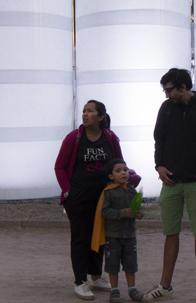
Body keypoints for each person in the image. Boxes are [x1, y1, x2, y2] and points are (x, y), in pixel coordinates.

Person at [142, 68, 196, 303]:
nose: (166, 95)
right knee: (171, 233)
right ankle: (165, 287)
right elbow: (158, 139)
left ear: (183, 87)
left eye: (169, 90)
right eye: (165, 90)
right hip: (170, 182)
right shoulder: (167, 108)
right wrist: (159, 166)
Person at [55, 100, 122, 299]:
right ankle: (80, 281)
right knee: (81, 239)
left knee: (99, 237)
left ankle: (95, 277)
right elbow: (59, 167)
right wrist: (68, 192)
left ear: (100, 117)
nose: (85, 114)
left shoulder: (110, 137)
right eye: (84, 111)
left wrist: (120, 187)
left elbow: (118, 164)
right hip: (78, 197)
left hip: (103, 198)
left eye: (90, 111)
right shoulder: (73, 138)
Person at [93, 158, 144, 303]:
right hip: (113, 237)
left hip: (130, 236)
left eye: (125, 170)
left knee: (131, 264)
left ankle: (132, 289)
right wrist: (121, 213)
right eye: (118, 171)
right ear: (111, 176)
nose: (123, 173)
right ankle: (114, 291)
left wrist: (140, 214)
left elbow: (138, 208)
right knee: (112, 264)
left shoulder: (132, 189)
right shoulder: (108, 192)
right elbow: (104, 212)